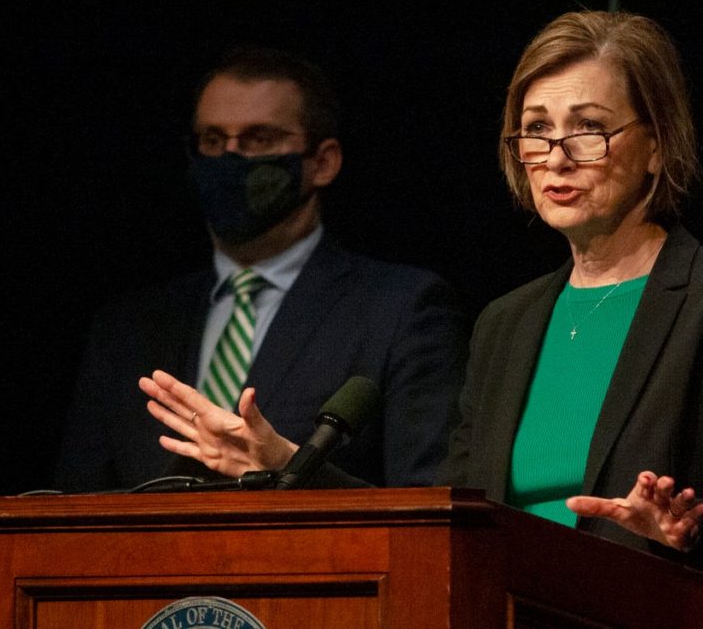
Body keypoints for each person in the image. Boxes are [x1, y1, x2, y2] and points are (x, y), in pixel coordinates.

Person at [141, 13, 703, 625]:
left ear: (656, 145)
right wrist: (290, 461)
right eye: (536, 129)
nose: (557, 156)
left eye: (587, 128)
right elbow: (448, 523)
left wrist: (688, 531)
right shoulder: (506, 323)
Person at [54, 47, 468, 492]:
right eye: (213, 140)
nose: (231, 159)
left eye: (259, 139)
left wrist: (294, 469)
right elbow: (73, 504)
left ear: (323, 162)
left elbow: (427, 502)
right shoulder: (127, 328)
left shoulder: (401, 309)